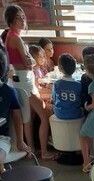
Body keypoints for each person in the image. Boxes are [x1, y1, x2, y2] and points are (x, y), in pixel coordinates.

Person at [2, 4, 55, 159]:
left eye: (23, 16)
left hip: (21, 80)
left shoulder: (11, 36)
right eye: (19, 17)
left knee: (28, 118)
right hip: (24, 81)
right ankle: (43, 152)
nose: (22, 19)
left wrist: (29, 60)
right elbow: (28, 62)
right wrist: (30, 61)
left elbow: (28, 60)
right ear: (11, 21)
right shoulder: (15, 38)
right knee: (44, 115)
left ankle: (30, 151)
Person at [0, 46, 30, 173]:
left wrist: (20, 141)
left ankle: (4, 177)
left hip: (2, 139)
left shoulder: (8, 92)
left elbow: (17, 117)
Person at [51, 53, 82, 120]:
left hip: (60, 114)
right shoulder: (79, 85)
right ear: (75, 68)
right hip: (76, 113)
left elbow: (54, 99)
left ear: (60, 68)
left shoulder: (56, 84)